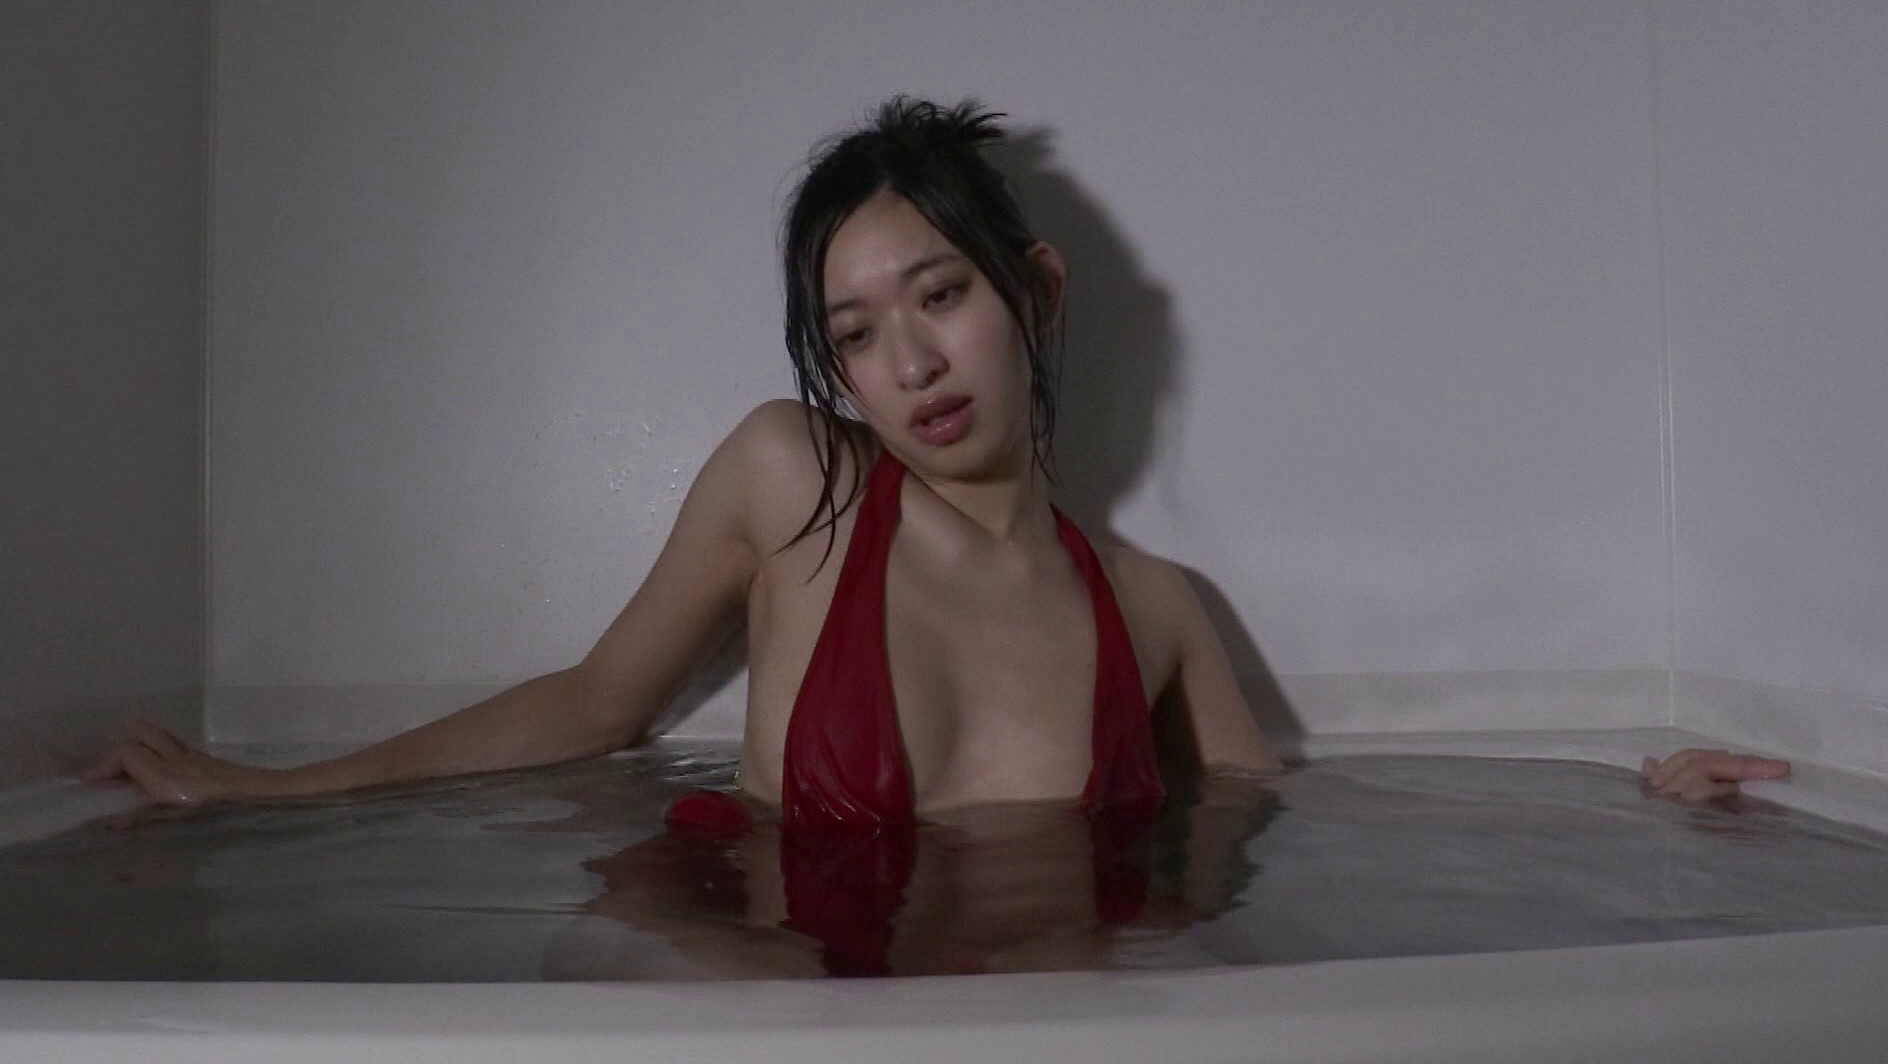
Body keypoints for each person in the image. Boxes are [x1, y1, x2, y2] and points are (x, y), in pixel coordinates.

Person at [85, 98, 1786, 817]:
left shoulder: (1159, 609)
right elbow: (596, 705)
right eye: (852, 332)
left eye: (941, 296)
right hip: (775, 1009)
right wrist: (271, 792)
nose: (904, 364)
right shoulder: (793, 483)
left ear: (1031, 291)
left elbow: (1298, 826)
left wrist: (1611, 795)